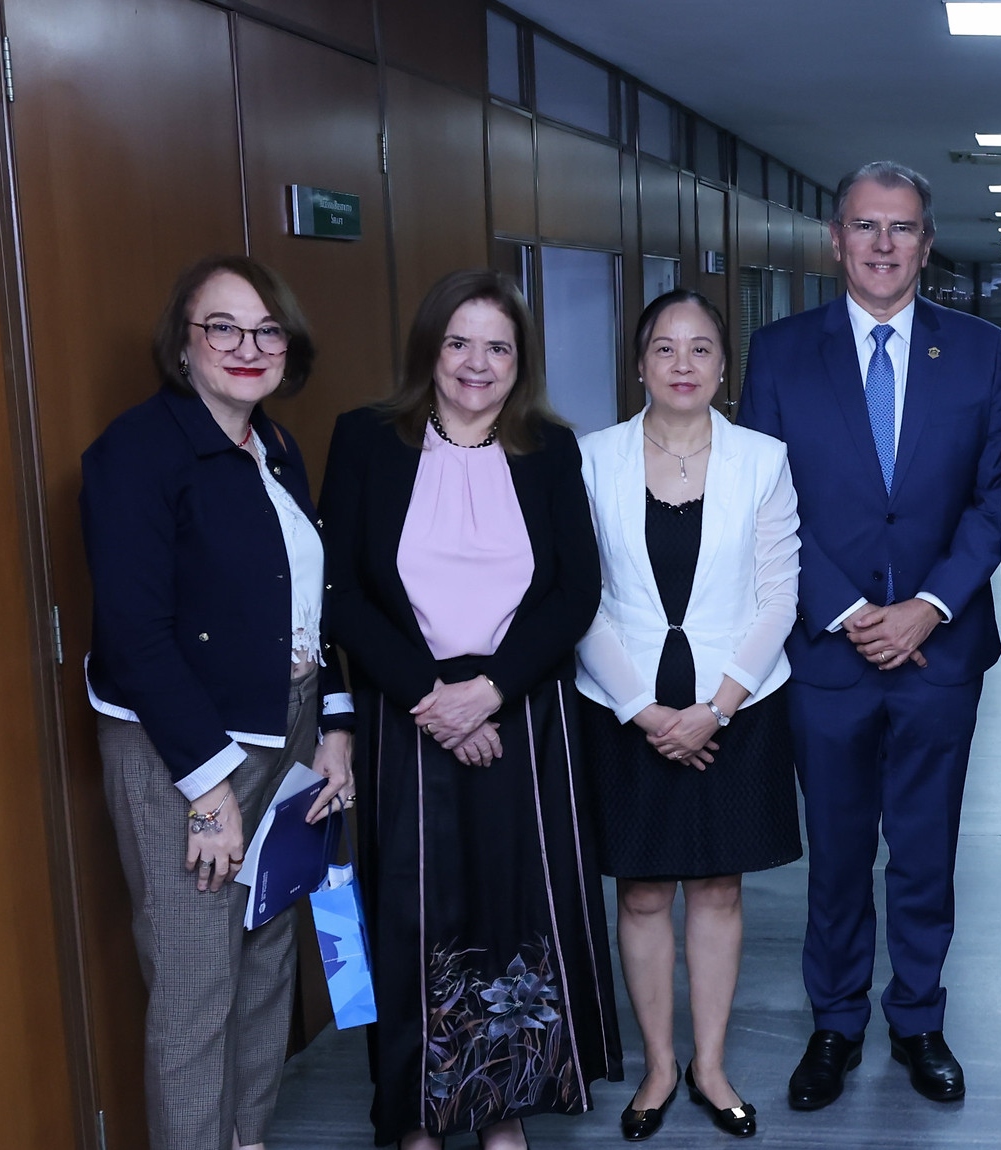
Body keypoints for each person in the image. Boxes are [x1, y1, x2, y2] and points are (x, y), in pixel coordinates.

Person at [320, 270, 620, 1149]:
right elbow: (338, 592)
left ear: (519, 359)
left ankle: (504, 1106)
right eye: (459, 342)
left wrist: (488, 692)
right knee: (409, 913)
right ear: (430, 348)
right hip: (402, 711)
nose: (477, 363)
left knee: (517, 910)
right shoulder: (367, 439)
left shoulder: (550, 447)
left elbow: (576, 592)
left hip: (521, 709)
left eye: (498, 346)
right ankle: (414, 1111)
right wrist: (428, 696)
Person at [737, 160, 1001, 1113]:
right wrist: (852, 610)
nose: (884, 245)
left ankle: (921, 1020)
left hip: (941, 650)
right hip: (826, 649)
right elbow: (761, 502)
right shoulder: (777, 354)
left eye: (902, 229)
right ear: (836, 240)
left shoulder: (980, 352)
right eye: (866, 227)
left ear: (928, 244)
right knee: (841, 849)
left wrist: (931, 603)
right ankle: (836, 1022)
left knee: (927, 848)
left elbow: (996, 498)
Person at [81, 255, 354, 1150]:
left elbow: (315, 603)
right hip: (184, 753)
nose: (248, 346)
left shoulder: (273, 445)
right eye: (223, 328)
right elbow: (134, 635)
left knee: (269, 959)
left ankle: (249, 1139)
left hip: (290, 730)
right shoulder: (138, 451)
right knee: (198, 984)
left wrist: (337, 731)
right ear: (183, 344)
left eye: (267, 330)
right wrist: (205, 792)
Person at [576, 289, 802, 1141]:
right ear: (638, 364)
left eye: (701, 349)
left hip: (738, 706)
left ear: (722, 367)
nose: (682, 365)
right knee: (639, 893)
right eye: (664, 350)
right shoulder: (589, 459)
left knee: (716, 886)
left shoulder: (763, 459)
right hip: (621, 701)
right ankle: (658, 1067)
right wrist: (643, 710)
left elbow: (780, 595)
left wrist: (715, 708)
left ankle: (709, 1065)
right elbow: (579, 597)